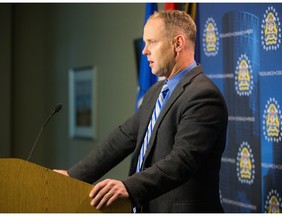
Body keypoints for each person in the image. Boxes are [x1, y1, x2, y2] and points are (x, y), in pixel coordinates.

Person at [54, 10, 228, 213]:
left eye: (152, 42)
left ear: (178, 43)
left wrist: (129, 186)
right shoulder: (156, 92)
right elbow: (121, 139)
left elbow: (182, 160)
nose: (144, 51)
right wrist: (72, 177)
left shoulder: (203, 96)